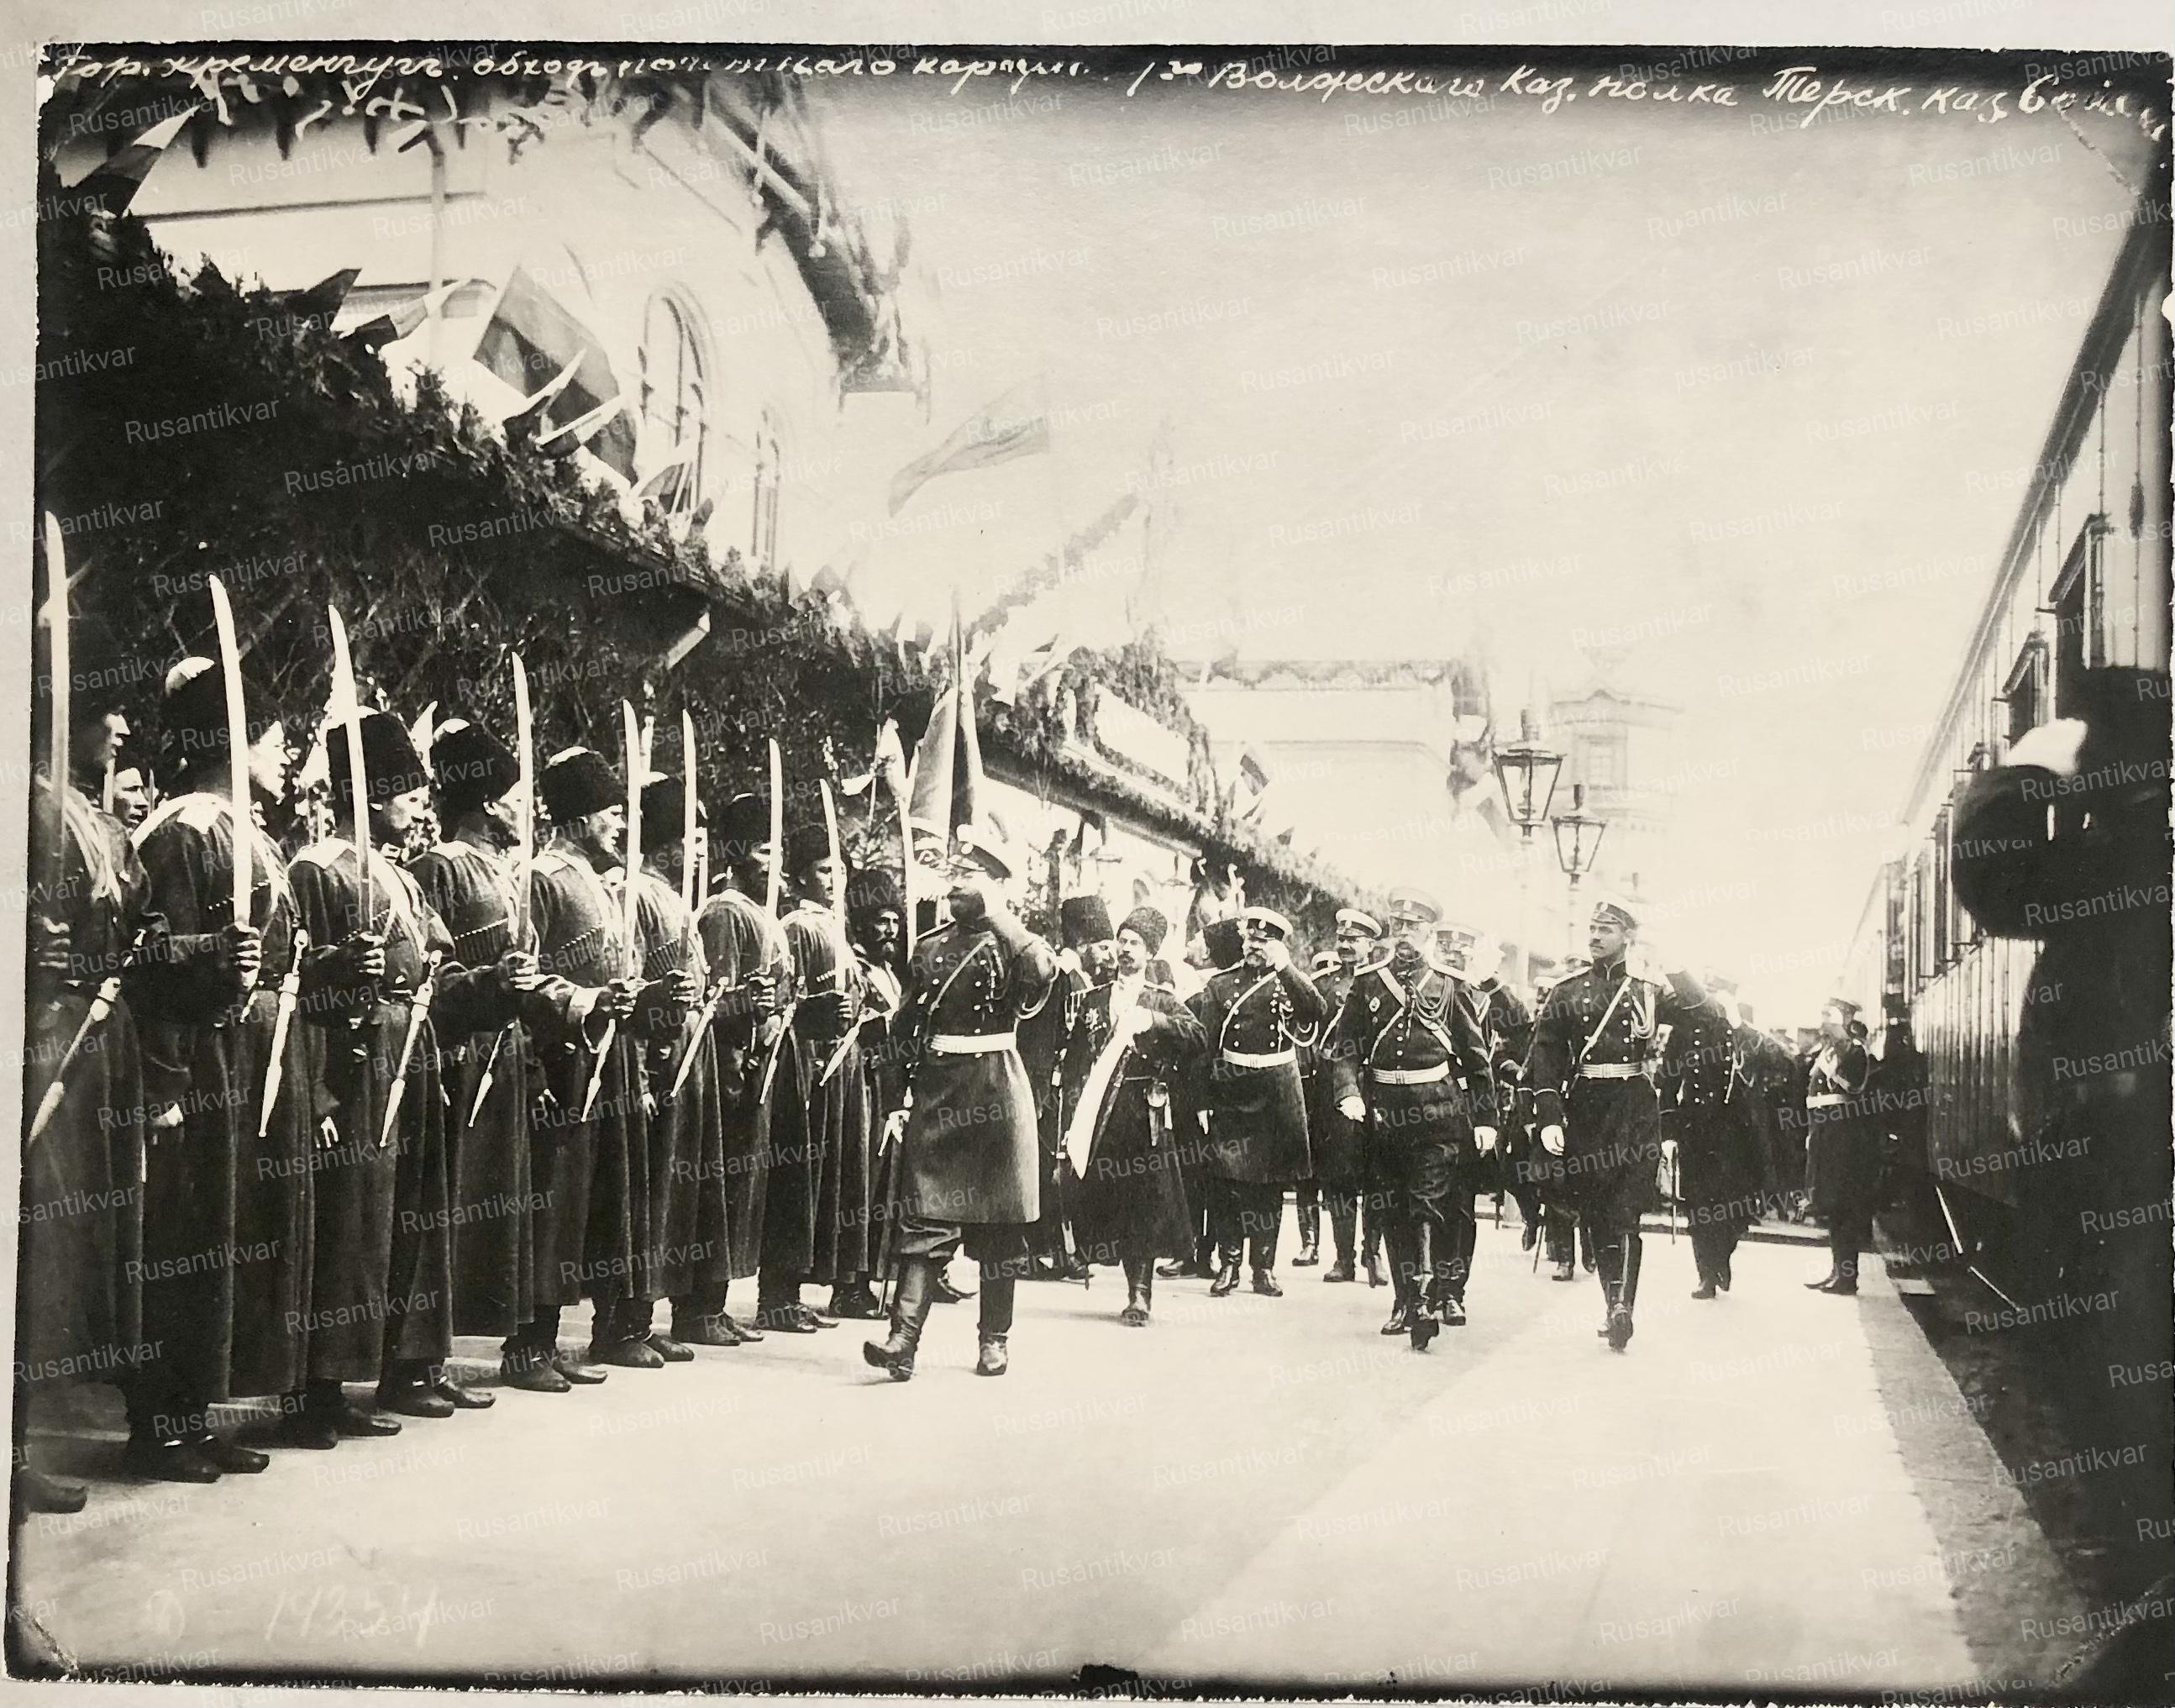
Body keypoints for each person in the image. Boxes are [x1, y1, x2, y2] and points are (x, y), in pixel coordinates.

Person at [289, 712, 531, 1427]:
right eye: (406, 792)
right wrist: (320, 1091)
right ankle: (318, 1389)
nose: (420, 804)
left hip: (413, 1049)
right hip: (357, 1059)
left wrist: (493, 983)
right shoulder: (316, 869)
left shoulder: (399, 877)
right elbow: (297, 985)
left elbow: (438, 975)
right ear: (371, 795)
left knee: (415, 1214)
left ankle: (409, 1366)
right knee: (352, 1222)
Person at [126, 658, 313, 1477]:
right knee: (183, 1236)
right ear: (231, 743)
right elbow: (145, 960)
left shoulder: (248, 833)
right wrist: (163, 1084)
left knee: (221, 1235)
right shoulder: (184, 829)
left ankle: (194, 1410)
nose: (282, 754)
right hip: (193, 1059)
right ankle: (157, 1424)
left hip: (243, 1058)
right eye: (270, 738)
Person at [409, 717, 610, 1395]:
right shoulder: (440, 866)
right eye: (516, 797)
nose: (527, 810)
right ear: (490, 802)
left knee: (514, 1213)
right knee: (445, 1212)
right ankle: (417, 1364)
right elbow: (435, 973)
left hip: (511, 1060)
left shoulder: (505, 874)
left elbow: (531, 978)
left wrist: (566, 1021)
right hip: (461, 1062)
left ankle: (523, 1346)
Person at [18, 640, 152, 1509]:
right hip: (38, 1033)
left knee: (70, 1238)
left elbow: (139, 915)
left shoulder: (95, 822)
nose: (123, 728)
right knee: (33, 1231)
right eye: (111, 710)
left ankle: (26, 1432)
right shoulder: (22, 801)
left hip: (96, 1034)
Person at [864, 822, 1058, 1381]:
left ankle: (994, 1340)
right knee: (925, 1220)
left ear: (994, 883)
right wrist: (893, 1098)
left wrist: (1000, 915)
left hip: (997, 1091)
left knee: (1000, 1227)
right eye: (954, 872)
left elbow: (1041, 974)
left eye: (969, 875)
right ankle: (902, 1341)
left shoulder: (1016, 943)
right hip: (940, 1092)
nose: (955, 883)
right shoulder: (929, 946)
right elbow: (906, 1027)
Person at [526, 745, 665, 1375]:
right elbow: (525, 975)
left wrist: (643, 998)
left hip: (614, 1062)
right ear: (580, 816)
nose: (621, 825)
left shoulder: (604, 886)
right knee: (556, 1203)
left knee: (606, 1199)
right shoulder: (542, 878)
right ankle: (531, 1344)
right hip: (564, 1062)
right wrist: (585, 1004)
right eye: (612, 812)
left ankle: (610, 1331)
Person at [1526, 896, 1709, 1353]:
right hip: (1586, 1108)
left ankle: (1621, 1307)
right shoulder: (1568, 991)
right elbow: (1545, 1055)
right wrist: (1549, 1114)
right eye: (1592, 928)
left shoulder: (1648, 988)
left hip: (1634, 1109)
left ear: (1628, 936)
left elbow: (1704, 1014)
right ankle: (1614, 1300)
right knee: (1595, 1212)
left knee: (1625, 1212)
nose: (1595, 937)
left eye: (1605, 929)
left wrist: (1674, 966)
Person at [1330, 888, 1498, 1350]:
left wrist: (1486, 1118)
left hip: (1438, 1111)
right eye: (1398, 925)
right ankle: (1404, 1300)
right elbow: (1345, 1049)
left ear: (1430, 933)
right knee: (1391, 1207)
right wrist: (1348, 1092)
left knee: (1426, 1204)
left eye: (1413, 927)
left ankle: (1425, 1299)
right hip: (1384, 1111)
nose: (1404, 934)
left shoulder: (1450, 984)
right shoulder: (1369, 982)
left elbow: (1476, 1057)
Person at [624, 771, 733, 1348]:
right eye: (690, 837)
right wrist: (645, 1070)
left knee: (680, 1192)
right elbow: (635, 983)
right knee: (652, 1192)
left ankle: (662, 1310)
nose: (699, 849)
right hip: (661, 1054)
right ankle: (627, 1319)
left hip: (691, 1053)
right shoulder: (638, 894)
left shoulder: (676, 900)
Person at [1064, 906, 1205, 1324]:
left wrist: (1155, 1021)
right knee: (1109, 1198)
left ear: (1150, 953)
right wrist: (1070, 1117)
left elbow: (1198, 1037)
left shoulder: (1163, 1000)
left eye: (1135, 944)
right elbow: (1076, 1063)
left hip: (1144, 1116)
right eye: (1122, 941)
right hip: (1100, 1114)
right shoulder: (1092, 999)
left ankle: (1139, 1294)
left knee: (1144, 1202)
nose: (1125, 950)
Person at [693, 792, 797, 1342]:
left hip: (755, 1070)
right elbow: (709, 1001)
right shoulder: (725, 912)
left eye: (777, 851)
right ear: (736, 854)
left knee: (740, 1190)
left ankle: (713, 1304)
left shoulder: (762, 915)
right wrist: (746, 1006)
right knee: (718, 1189)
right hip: (726, 1070)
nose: (773, 863)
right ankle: (697, 1307)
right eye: (763, 850)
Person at [1190, 905, 1328, 1299]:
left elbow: (1317, 1011)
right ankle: (1229, 1264)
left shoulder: (1290, 981)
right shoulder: (1220, 985)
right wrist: (1202, 1099)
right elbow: (1205, 1047)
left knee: (1270, 1184)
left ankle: (1263, 1268)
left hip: (1277, 1089)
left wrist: (1286, 968)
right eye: (1251, 939)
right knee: (1227, 1181)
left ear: (1278, 946)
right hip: (1232, 1088)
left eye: (1264, 941)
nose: (1255, 947)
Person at [780, 822, 877, 1322]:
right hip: (813, 1065)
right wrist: (813, 1014)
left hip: (845, 1067)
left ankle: (837, 1284)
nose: (835, 880)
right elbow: (787, 999)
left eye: (840, 870)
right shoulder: (798, 927)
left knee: (841, 1177)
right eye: (823, 871)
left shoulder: (836, 928)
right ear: (801, 877)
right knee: (805, 1178)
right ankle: (780, 1295)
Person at [1663, 974, 1766, 1299]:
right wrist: (1668, 1132)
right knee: (1698, 1201)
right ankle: (1706, 1273)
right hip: (1695, 1127)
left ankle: (1723, 1255)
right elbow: (1668, 1080)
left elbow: (1765, 1061)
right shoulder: (1684, 1030)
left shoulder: (1738, 1029)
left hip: (1734, 1131)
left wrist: (1737, 1023)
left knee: (1734, 1203)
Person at [1305, 909, 1381, 1284]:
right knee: (1339, 1174)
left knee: (1378, 1173)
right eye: (1343, 939)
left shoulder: (1382, 983)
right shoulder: (1322, 984)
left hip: (1375, 1085)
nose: (1347, 945)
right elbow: (1306, 1031)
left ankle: (1373, 1252)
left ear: (1371, 945)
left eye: (1355, 940)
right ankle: (1343, 1258)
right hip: (1333, 1089)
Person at [1800, 996, 1880, 1295]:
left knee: (1844, 1208)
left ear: (1845, 1018)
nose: (1824, 1022)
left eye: (1830, 1016)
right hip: (1826, 1133)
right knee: (1833, 1208)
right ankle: (1837, 1272)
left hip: (1844, 1138)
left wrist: (1838, 1047)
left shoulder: (1855, 1051)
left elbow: (1853, 1085)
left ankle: (1847, 1277)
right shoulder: (1830, 1051)